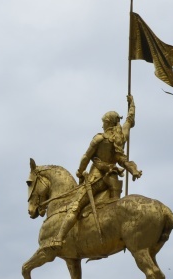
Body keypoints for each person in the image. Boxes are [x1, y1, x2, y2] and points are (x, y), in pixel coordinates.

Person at [50, 94, 142, 248]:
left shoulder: (100, 139)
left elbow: (86, 157)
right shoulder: (122, 135)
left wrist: (80, 172)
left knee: (75, 206)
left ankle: (59, 238)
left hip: (97, 179)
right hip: (113, 180)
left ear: (108, 123)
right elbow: (129, 121)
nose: (102, 126)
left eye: (103, 122)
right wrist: (132, 105)